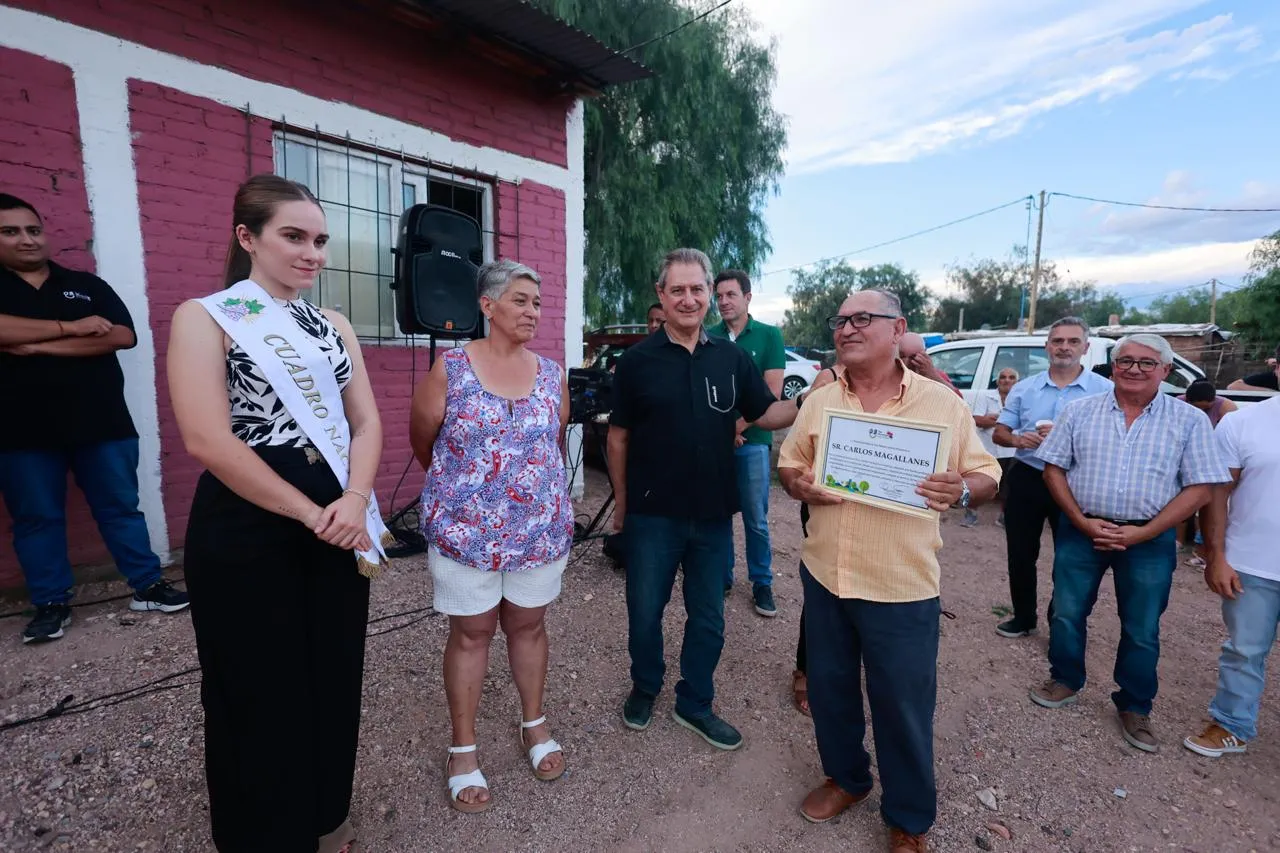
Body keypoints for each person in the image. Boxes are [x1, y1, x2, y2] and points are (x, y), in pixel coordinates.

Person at [167, 175, 388, 853]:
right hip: (247, 519)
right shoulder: (206, 316)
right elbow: (207, 438)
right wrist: (312, 511)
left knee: (332, 673)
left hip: (335, 515)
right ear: (248, 237)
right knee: (254, 684)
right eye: (293, 236)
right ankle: (264, 835)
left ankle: (327, 821)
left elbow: (366, 421)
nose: (312, 252)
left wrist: (352, 499)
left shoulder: (335, 325)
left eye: (319, 239)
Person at [778, 290, 1000, 853]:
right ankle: (847, 779)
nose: (847, 328)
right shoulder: (821, 399)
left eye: (862, 319)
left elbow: (987, 473)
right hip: (827, 576)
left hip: (901, 585)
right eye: (841, 321)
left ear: (898, 328)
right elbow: (790, 463)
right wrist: (799, 484)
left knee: (902, 704)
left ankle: (908, 818)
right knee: (830, 691)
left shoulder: (939, 403)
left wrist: (963, 492)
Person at [609, 248, 800, 751]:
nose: (689, 299)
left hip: (713, 514)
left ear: (708, 294)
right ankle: (645, 686)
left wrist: (809, 402)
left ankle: (695, 701)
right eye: (678, 290)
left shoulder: (731, 357)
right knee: (645, 610)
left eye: (697, 289)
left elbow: (766, 413)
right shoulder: (635, 362)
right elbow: (618, 438)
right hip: (653, 515)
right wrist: (623, 505)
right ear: (662, 296)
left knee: (710, 615)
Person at [409, 259, 573, 813]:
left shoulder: (552, 374)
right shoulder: (449, 370)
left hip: (536, 533)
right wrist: (468, 499)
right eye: (521, 300)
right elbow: (423, 442)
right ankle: (464, 748)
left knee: (529, 626)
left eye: (537, 302)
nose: (533, 311)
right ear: (488, 306)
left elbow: (551, 443)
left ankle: (534, 723)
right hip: (466, 534)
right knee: (472, 634)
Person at [0, 193, 188, 645]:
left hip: (101, 423)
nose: (27, 239)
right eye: (10, 231)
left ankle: (147, 586)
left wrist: (36, 345)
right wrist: (74, 327)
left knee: (121, 508)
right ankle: (50, 604)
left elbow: (122, 336)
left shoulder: (84, 284)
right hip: (19, 430)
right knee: (36, 518)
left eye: (33, 229)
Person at [1030, 334, 1229, 753]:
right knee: (1066, 612)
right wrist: (1081, 522)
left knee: (1141, 627)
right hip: (1083, 532)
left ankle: (1135, 704)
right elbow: (1053, 470)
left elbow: (1201, 488)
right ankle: (1065, 678)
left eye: (1146, 362)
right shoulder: (1079, 411)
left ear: (1165, 370)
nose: (1134, 369)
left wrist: (1147, 530)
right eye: (1125, 361)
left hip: (1149, 539)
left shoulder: (1188, 420)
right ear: (1113, 365)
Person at [992, 316, 1112, 639]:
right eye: (1058, 341)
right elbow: (1000, 434)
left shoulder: (1105, 391)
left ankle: (1060, 622)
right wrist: (1019, 439)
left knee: (1070, 557)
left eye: (1073, 341)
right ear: (1047, 347)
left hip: (1077, 481)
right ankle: (1023, 617)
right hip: (1029, 475)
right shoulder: (1024, 388)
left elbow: (1115, 437)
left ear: (1085, 348)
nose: (1064, 347)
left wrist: (1069, 437)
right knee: (1020, 552)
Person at [1183, 394, 1280, 758]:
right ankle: (1232, 725)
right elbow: (1216, 494)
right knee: (1244, 650)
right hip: (1254, 563)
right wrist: (1217, 555)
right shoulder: (1243, 423)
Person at [709, 268, 787, 616]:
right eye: (719, 296)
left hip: (754, 439)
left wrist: (737, 426)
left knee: (755, 516)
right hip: (716, 443)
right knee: (720, 512)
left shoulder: (769, 336)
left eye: (731, 295)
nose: (724, 301)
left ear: (747, 298)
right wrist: (724, 431)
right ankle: (723, 577)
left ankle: (762, 582)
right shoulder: (707, 335)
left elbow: (772, 393)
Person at [1175, 379, 1235, 566]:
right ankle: (1177, 542)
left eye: (1206, 409)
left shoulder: (1227, 408)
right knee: (1179, 502)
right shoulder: (1177, 404)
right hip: (1181, 459)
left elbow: (1232, 438)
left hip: (1213, 460)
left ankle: (1204, 547)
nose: (1201, 413)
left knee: (1207, 505)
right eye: (1197, 408)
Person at [963, 367, 1019, 527]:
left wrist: (994, 419)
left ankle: (1003, 517)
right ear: (997, 380)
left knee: (1009, 487)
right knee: (976, 483)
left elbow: (1023, 422)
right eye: (1002, 377)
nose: (1006, 380)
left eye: (1011, 377)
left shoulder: (1020, 398)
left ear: (1016, 382)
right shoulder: (985, 396)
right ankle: (970, 514)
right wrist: (1006, 420)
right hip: (986, 449)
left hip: (1010, 450)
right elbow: (977, 420)